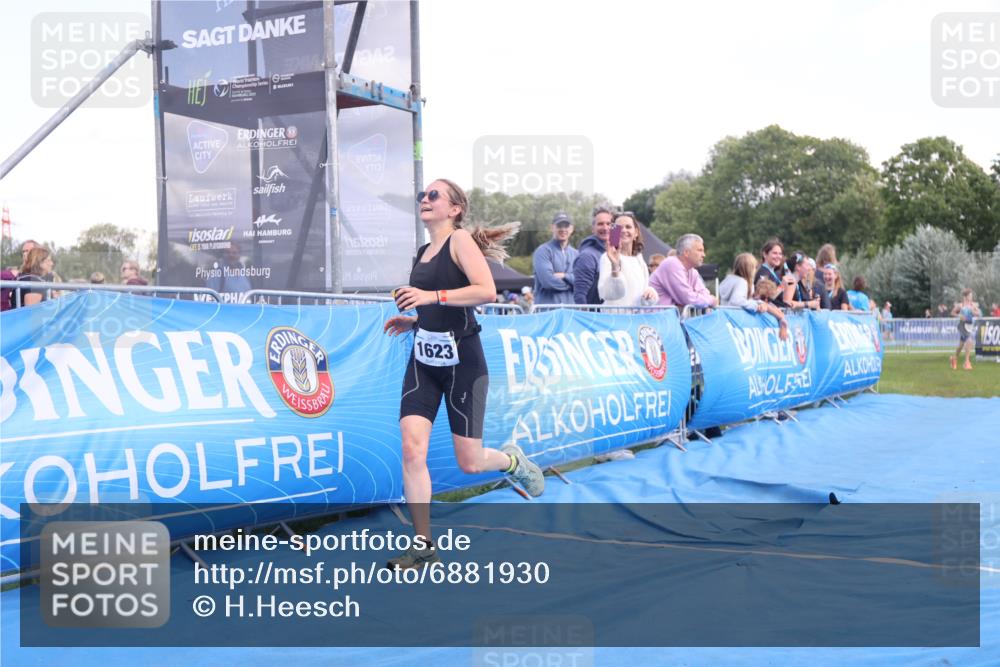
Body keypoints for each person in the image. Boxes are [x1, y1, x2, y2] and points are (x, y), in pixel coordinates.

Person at [383, 179, 545, 569]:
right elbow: (436, 306)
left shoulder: (460, 241)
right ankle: (423, 546)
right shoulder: (423, 251)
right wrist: (415, 319)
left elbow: (486, 291)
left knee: (470, 463)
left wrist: (430, 297)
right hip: (424, 359)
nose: (424, 199)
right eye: (422, 195)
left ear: (454, 209)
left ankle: (511, 462)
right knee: (412, 449)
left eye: (433, 195)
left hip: (463, 363)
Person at [718, 252, 789, 338]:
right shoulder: (742, 282)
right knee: (764, 305)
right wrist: (756, 306)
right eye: (755, 267)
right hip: (734, 321)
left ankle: (781, 318)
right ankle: (782, 319)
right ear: (749, 269)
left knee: (765, 304)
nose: (756, 270)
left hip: (727, 320)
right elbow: (736, 301)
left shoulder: (729, 280)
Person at [597, 212, 658, 307]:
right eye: (619, 227)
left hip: (636, 315)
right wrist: (615, 267)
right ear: (613, 232)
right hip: (615, 315)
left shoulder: (639, 260)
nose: (624, 230)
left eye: (628, 227)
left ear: (636, 233)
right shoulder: (606, 258)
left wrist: (650, 294)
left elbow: (642, 295)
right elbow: (607, 293)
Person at [649, 233, 717, 308]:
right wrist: (711, 300)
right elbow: (688, 298)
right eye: (700, 250)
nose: (704, 255)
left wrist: (705, 299)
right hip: (656, 314)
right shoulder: (672, 264)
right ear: (686, 253)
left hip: (669, 314)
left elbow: (703, 293)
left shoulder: (692, 271)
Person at [532, 211, 578, 305]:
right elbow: (547, 282)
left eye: (566, 226)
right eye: (559, 226)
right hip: (548, 311)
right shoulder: (543, 251)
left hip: (570, 311)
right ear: (552, 227)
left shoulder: (576, 254)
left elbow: (582, 281)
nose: (563, 229)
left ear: (572, 229)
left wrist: (565, 276)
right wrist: (571, 284)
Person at [572, 204, 614, 305]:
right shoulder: (587, 256)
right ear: (593, 228)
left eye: (609, 224)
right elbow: (580, 295)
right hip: (595, 313)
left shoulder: (616, 252)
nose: (605, 228)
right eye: (600, 224)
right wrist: (585, 314)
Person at [754, 238, 796, 308]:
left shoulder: (775, 273)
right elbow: (764, 299)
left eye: (780, 254)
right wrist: (781, 286)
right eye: (774, 253)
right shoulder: (763, 272)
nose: (778, 256)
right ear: (765, 254)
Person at [950, 289, 981, 370]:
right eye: (970, 295)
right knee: (969, 341)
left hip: (969, 326)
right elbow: (952, 313)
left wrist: (974, 312)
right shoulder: (960, 305)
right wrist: (959, 316)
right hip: (962, 326)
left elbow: (979, 314)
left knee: (961, 345)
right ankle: (966, 362)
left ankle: (954, 358)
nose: (971, 297)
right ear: (966, 296)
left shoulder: (973, 305)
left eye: (971, 295)